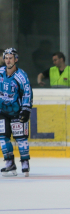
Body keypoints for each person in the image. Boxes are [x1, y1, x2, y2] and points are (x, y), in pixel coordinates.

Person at [0, 48, 33, 177]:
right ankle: (9, 162)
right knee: (3, 137)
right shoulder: (0, 72)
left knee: (21, 138)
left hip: (17, 111)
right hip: (2, 111)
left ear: (16, 60)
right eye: (6, 58)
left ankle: (25, 162)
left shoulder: (21, 76)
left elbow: (27, 93)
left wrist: (26, 109)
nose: (8, 60)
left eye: (11, 58)